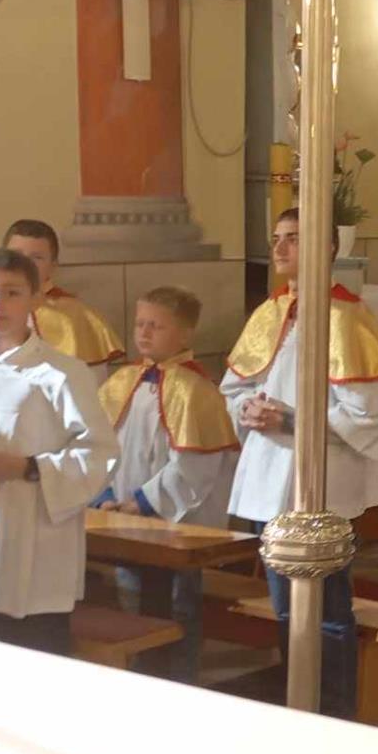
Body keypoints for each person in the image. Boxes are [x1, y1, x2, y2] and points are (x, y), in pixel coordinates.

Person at [224, 209, 378, 720]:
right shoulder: (269, 313)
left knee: (325, 607)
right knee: (286, 608)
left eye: (294, 239)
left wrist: (293, 420)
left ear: (326, 249)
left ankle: (336, 714)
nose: (279, 249)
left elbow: (368, 415)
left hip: (322, 481)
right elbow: (235, 386)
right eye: (277, 238)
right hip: (270, 475)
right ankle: (299, 709)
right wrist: (247, 408)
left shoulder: (346, 318)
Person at [0, 248, 116, 657]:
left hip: (37, 539)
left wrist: (25, 467)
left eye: (12, 292)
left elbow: (100, 454)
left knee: (36, 656)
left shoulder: (62, 373)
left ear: (36, 299)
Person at [94, 286, 240, 683]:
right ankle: (141, 681)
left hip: (174, 523)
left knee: (177, 608)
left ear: (185, 333)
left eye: (156, 326)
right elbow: (99, 446)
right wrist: (106, 496)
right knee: (131, 605)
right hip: (122, 517)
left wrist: (141, 503)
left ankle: (180, 683)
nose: (143, 333)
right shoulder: (121, 382)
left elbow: (194, 466)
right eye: (140, 324)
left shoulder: (196, 391)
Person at [0, 218, 123, 372]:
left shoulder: (80, 318)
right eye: (16, 255)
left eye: (36, 257)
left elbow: (93, 386)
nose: (24, 264)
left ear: (53, 266)